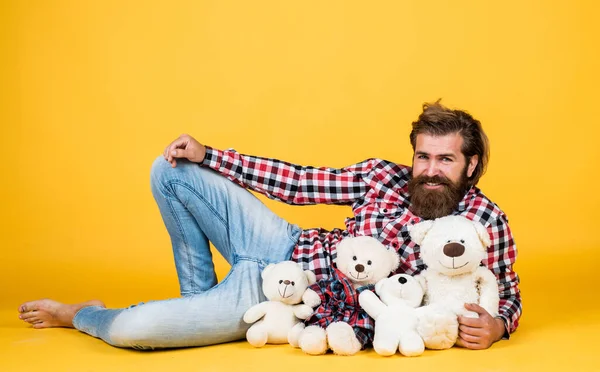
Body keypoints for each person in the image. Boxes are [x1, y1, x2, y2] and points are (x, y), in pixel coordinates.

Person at [18, 101, 521, 351]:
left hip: (289, 305)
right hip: (285, 246)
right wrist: (211, 155)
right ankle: (197, 298)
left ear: (471, 165)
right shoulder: (380, 177)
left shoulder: (484, 221)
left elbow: (510, 294)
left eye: (445, 160)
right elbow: (299, 183)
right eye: (422, 157)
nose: (430, 170)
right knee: (170, 170)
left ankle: (82, 315)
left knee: (130, 330)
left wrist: (499, 325)